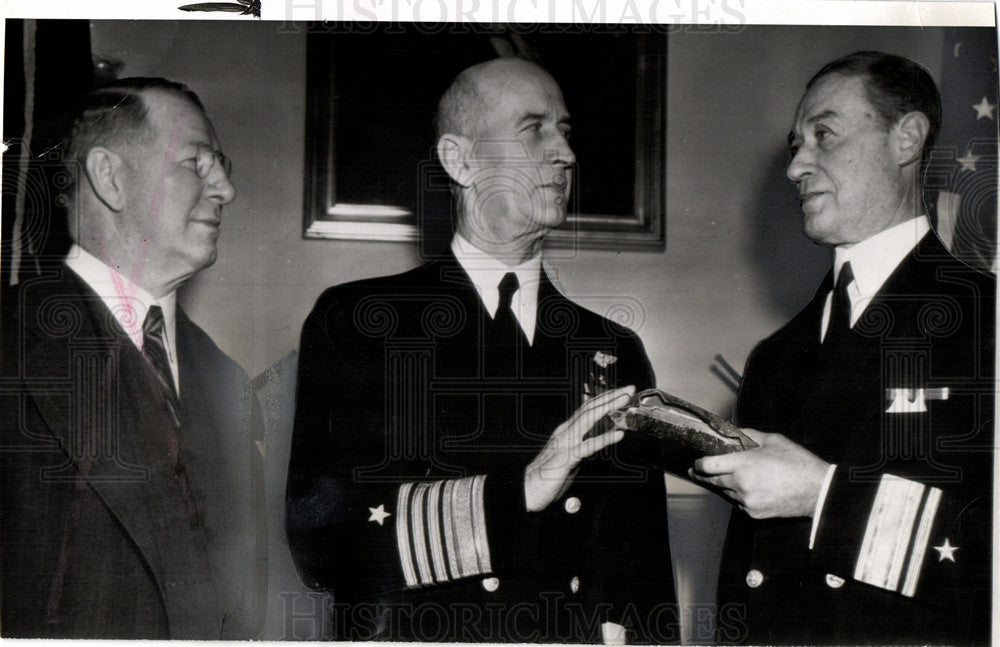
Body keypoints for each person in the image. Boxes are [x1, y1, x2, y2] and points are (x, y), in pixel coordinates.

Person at [286, 57, 676, 643]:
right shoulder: (362, 324)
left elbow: (638, 574)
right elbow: (324, 538)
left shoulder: (609, 347)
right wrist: (519, 491)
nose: (565, 154)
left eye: (565, 131)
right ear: (459, 160)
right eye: (533, 129)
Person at [690, 51, 995, 644]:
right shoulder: (774, 356)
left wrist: (822, 497)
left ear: (906, 138)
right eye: (794, 143)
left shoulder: (985, 322)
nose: (795, 166)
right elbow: (745, 579)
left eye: (823, 135)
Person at [0, 78, 266, 639]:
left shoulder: (229, 382)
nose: (226, 189)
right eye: (198, 162)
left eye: (222, 164)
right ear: (110, 177)